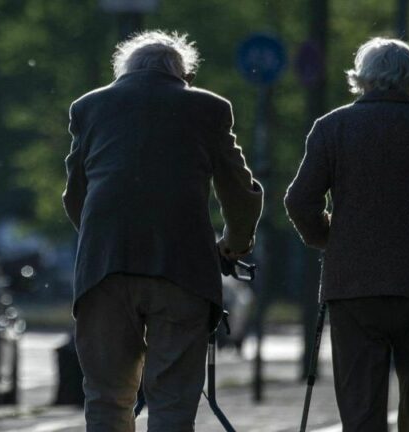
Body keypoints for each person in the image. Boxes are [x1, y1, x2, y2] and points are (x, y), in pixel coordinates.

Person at [63, 30, 263, 431]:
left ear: (125, 71)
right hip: (183, 268)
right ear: (183, 75)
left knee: (106, 397)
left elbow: (75, 196)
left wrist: (104, 242)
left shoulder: (90, 107)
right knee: (172, 399)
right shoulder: (209, 108)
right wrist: (233, 245)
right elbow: (240, 192)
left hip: (104, 271)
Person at [285, 37, 409, 432]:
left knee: (360, 403)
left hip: (353, 285)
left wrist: (327, 238)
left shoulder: (331, 127)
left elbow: (299, 200)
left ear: (362, 79)